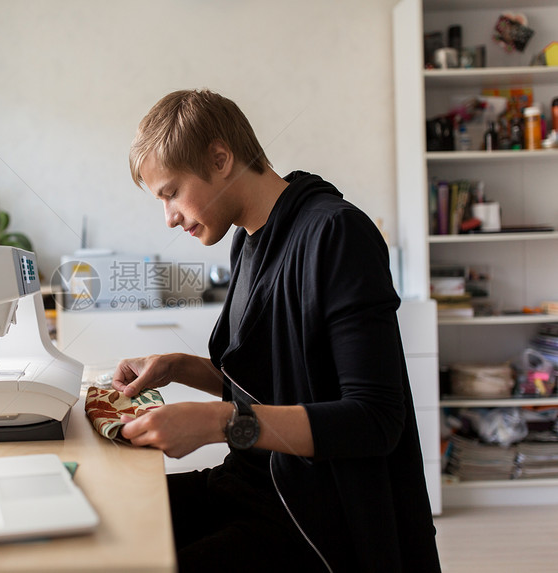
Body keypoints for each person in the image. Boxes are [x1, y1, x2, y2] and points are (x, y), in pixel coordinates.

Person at [113, 89, 441, 572]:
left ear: (221, 158)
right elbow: (281, 385)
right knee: (112, 515)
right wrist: (179, 368)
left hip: (310, 513)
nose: (170, 217)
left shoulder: (336, 234)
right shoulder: (248, 244)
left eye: (171, 193)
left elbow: (374, 421)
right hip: (250, 484)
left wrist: (216, 422)